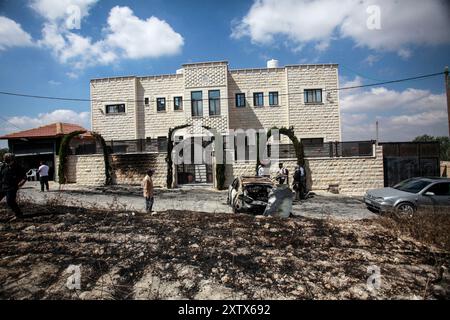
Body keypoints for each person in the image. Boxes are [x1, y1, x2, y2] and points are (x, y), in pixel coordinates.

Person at [0, 153, 27, 220]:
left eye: (7, 159)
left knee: (10, 201)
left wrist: (21, 183)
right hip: (2, 186)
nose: (5, 160)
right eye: (5, 158)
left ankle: (19, 214)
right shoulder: (3, 166)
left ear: (12, 159)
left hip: (12, 187)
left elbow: (24, 177)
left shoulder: (18, 167)